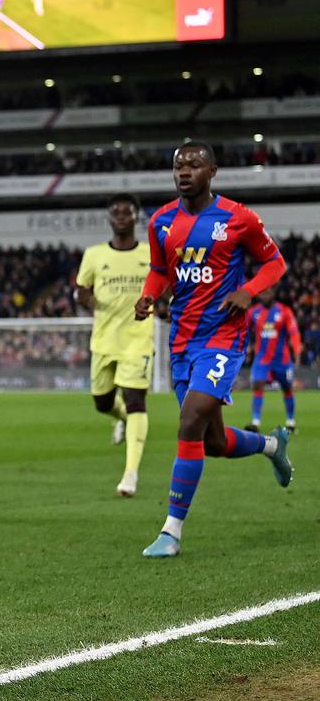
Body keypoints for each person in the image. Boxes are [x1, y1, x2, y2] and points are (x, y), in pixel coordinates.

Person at [135, 140, 294, 559]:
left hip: (222, 338)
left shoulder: (238, 218)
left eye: (194, 164)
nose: (184, 171)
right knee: (212, 442)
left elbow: (275, 264)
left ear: (213, 171)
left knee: (189, 420)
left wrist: (248, 291)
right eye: (178, 166)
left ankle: (171, 531)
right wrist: (149, 296)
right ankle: (272, 445)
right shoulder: (160, 222)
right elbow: (158, 271)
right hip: (181, 342)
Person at [75, 193, 154, 497]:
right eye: (116, 212)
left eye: (127, 212)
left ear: (137, 216)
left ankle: (130, 474)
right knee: (102, 403)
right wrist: (88, 299)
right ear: (109, 218)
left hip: (138, 339)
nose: (122, 216)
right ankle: (119, 419)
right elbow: (81, 290)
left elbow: (166, 285)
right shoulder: (94, 255)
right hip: (104, 340)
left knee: (136, 400)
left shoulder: (150, 254)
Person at [246, 287, 301, 433]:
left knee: (287, 388)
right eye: (262, 292)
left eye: (267, 292)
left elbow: (293, 332)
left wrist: (296, 350)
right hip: (262, 359)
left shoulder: (284, 311)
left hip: (281, 360)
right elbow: (243, 330)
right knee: (257, 384)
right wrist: (244, 346)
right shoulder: (253, 312)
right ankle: (255, 423)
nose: (264, 295)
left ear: (273, 293)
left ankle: (291, 421)